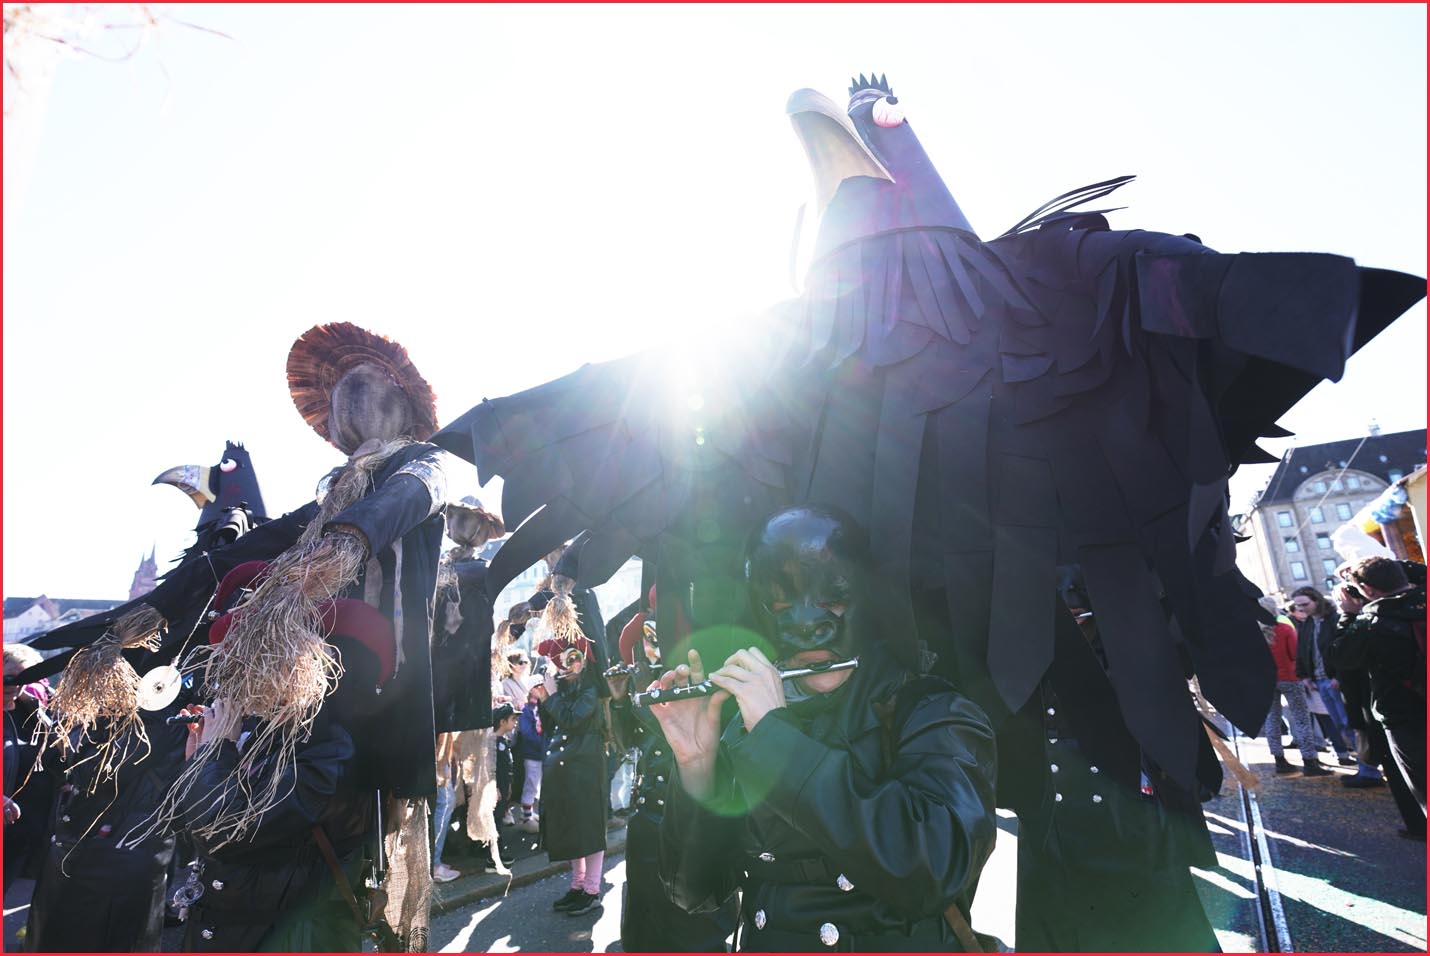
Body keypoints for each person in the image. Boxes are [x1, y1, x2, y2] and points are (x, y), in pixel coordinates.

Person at [651, 505, 998, 952]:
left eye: (833, 601)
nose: (806, 625)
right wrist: (697, 765)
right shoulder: (748, 722)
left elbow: (936, 868)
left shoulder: (934, 712)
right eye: (781, 605)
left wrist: (777, 742)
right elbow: (694, 892)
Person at [607, 584, 738, 952]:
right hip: (646, 822)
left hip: (689, 821)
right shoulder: (645, 687)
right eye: (645, 642)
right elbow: (626, 745)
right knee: (645, 925)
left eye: (655, 639)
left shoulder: (700, 684)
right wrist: (620, 702)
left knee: (694, 930)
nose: (648, 650)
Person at [1329, 557, 1426, 819]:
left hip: (1404, 716)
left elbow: (1339, 657)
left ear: (1368, 590)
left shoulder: (1369, 623)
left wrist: (1348, 614)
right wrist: (1391, 567)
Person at [531, 629, 608, 917]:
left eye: (574, 658)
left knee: (589, 828)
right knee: (572, 827)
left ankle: (592, 890)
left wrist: (550, 696)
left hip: (586, 767)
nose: (569, 664)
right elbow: (551, 725)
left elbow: (573, 719)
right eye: (564, 660)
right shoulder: (563, 689)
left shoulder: (590, 689)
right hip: (566, 769)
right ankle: (578, 885)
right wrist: (543, 697)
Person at [1289, 587, 1358, 768]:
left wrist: (1339, 676)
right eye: (1298, 606)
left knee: (1349, 723)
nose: (1301, 609)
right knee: (1339, 723)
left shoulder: (1333, 619)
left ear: (1317, 601)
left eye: (1305, 604)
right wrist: (1304, 675)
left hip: (1333, 679)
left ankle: (1367, 767)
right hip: (1319, 680)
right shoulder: (1308, 623)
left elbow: (1343, 650)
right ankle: (1362, 765)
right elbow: (1302, 650)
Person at [4, 643, 52, 895]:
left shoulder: (33, 711)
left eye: (24, 678)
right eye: (8, 677)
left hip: (21, 832)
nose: (14, 685)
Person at [1258, 613, 1329, 776]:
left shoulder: (1251, 633)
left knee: (1272, 720)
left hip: (1267, 681)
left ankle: (1279, 760)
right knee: (1301, 718)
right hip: (1289, 677)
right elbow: (1294, 654)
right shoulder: (1284, 629)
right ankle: (1309, 760)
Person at [513, 687, 548, 833]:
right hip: (532, 753)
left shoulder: (545, 705)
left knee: (539, 784)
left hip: (543, 752)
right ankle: (526, 818)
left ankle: (531, 813)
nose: (541, 689)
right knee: (531, 783)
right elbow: (526, 732)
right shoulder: (526, 709)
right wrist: (542, 743)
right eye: (537, 686)